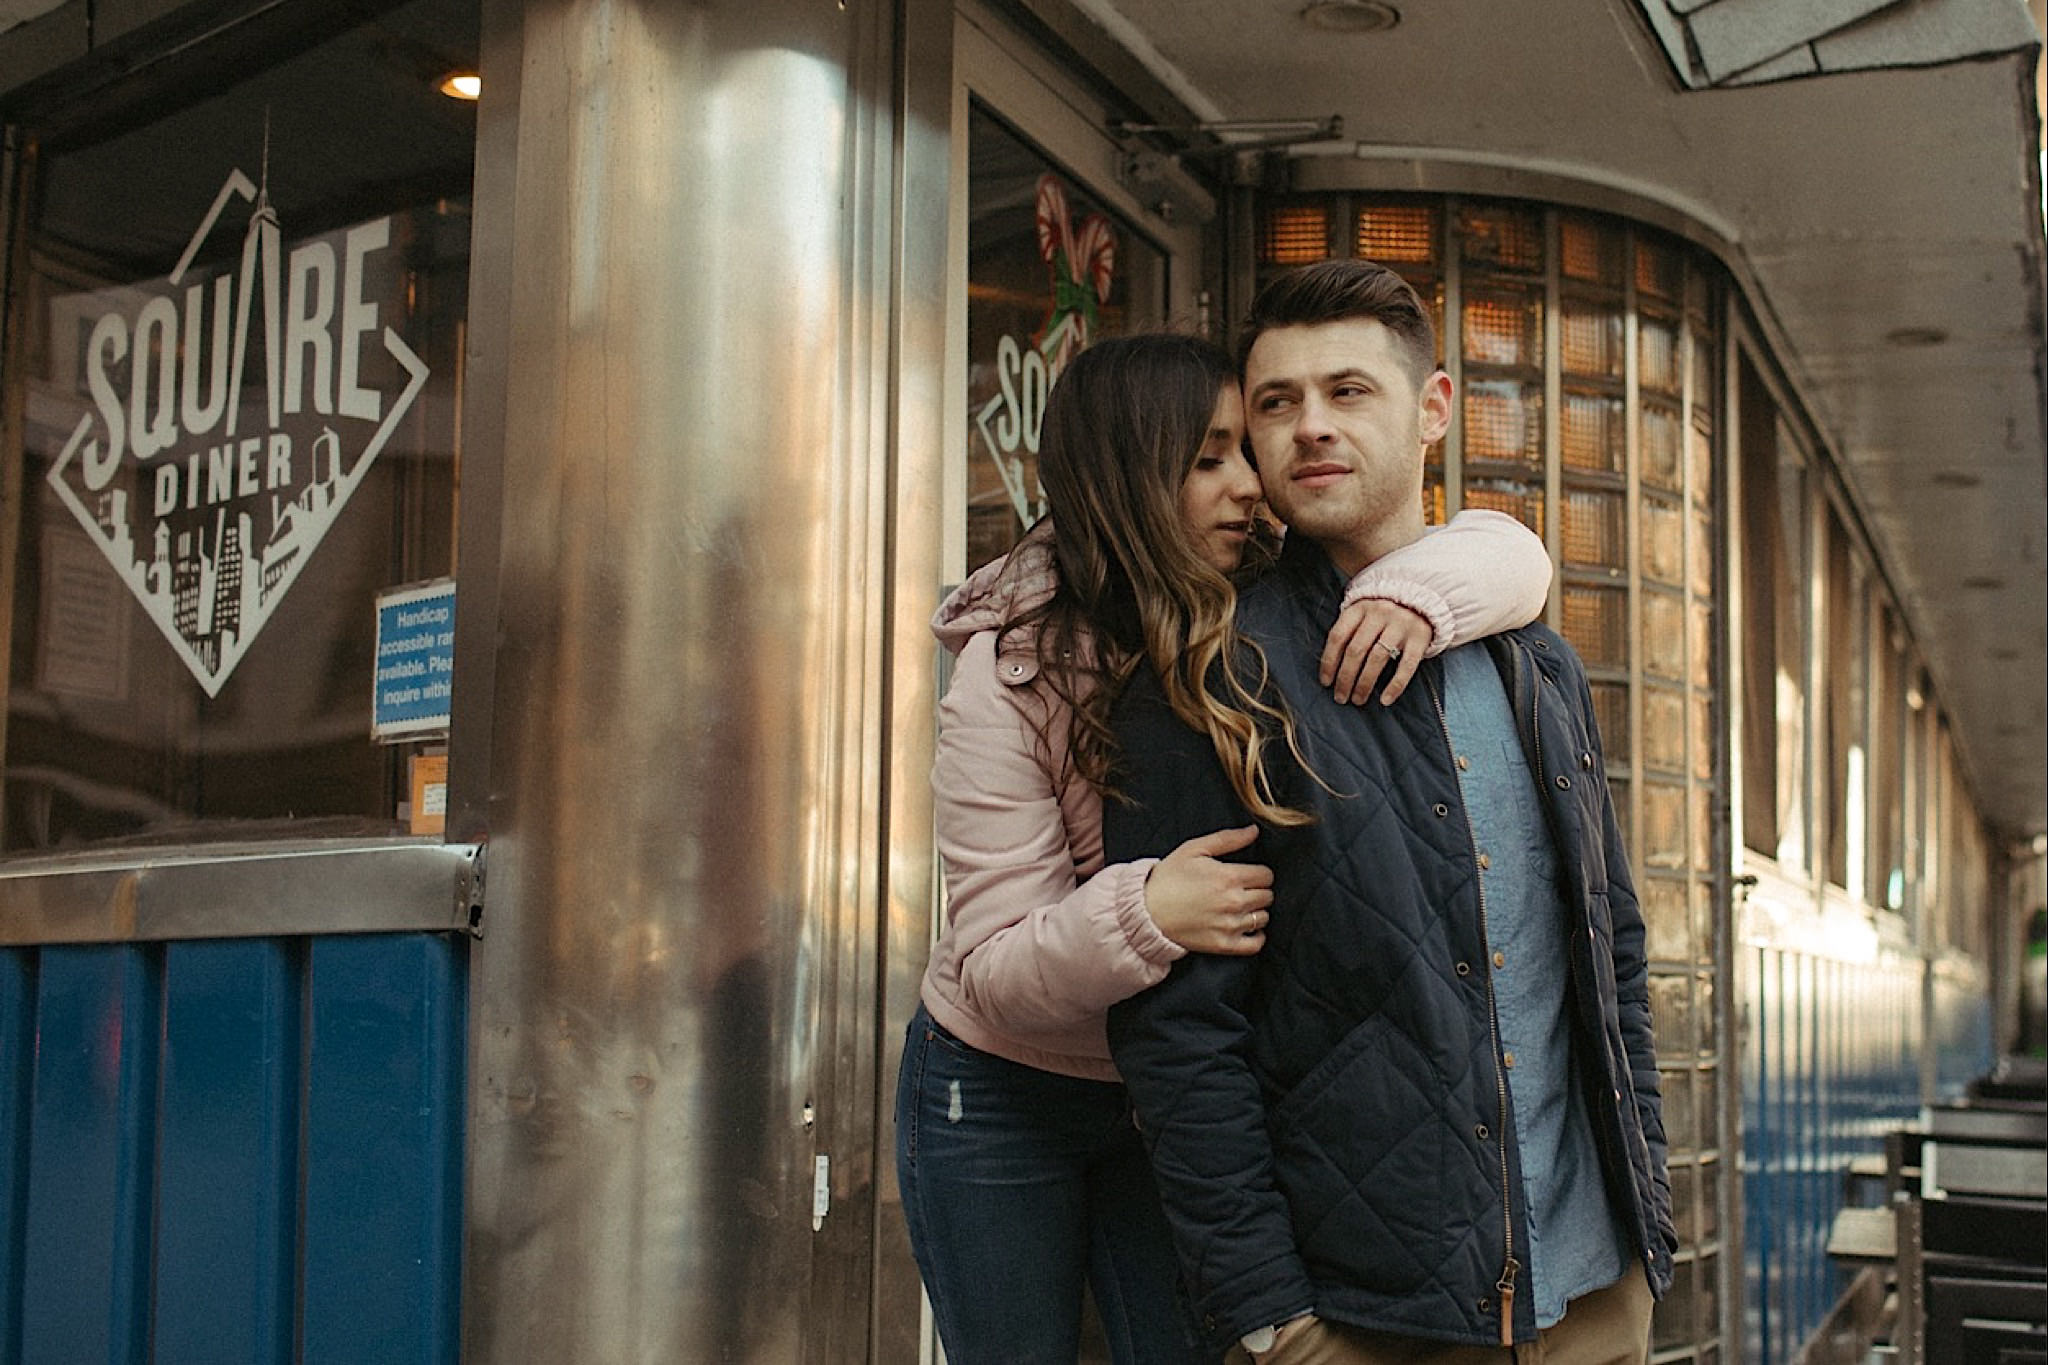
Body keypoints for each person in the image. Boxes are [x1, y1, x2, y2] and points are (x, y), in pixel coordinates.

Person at [897, 331, 1555, 1364]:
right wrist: (1144, 910)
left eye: (1242, 451)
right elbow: (991, 969)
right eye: (1208, 459)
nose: (1249, 485)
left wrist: (1416, 598)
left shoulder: (1269, 598)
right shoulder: (1012, 668)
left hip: (1172, 1099)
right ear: (1128, 475)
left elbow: (1507, 551)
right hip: (1004, 1088)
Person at [1103, 262, 1678, 1365]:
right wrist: (1272, 1321)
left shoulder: (1536, 666)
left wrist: (1643, 1225)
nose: (1309, 427)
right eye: (1276, 403)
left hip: (1592, 1287)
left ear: (1432, 409)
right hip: (1367, 1318)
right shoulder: (1214, 680)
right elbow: (1179, 1037)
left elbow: (1614, 961)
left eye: (1347, 391)